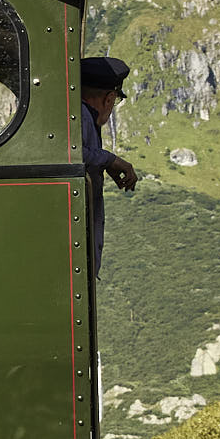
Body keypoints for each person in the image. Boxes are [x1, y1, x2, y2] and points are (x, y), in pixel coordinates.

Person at [80, 55, 140, 276]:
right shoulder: (83, 118)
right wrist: (111, 160)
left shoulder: (83, 115)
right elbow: (73, 155)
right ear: (109, 98)